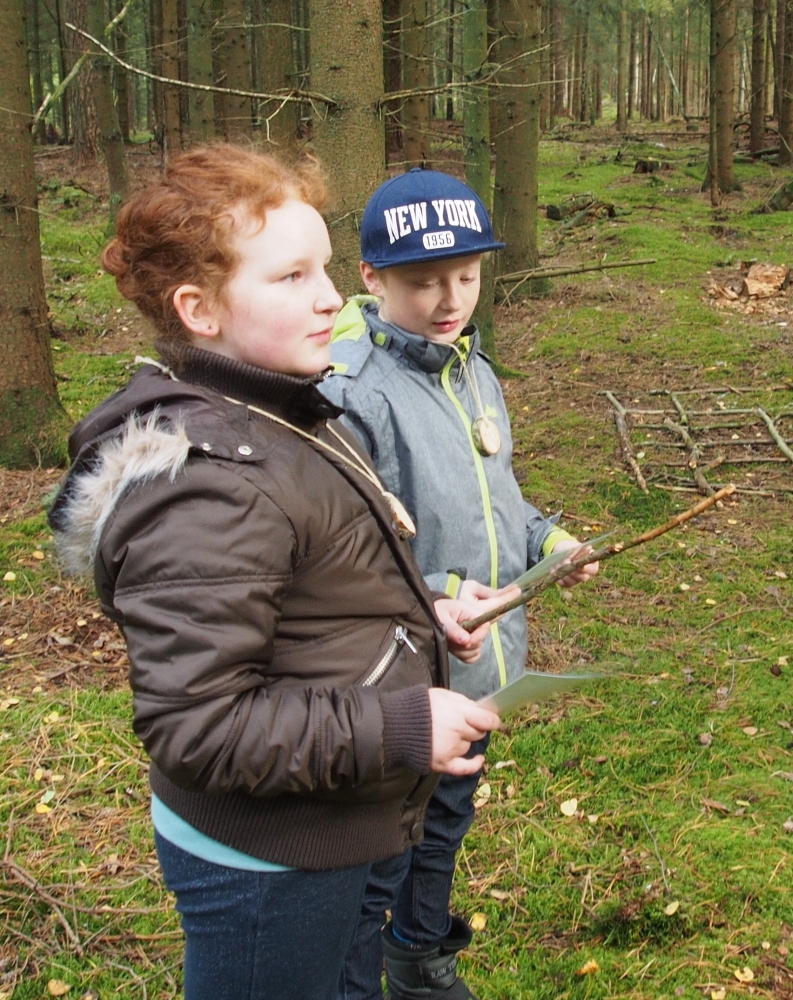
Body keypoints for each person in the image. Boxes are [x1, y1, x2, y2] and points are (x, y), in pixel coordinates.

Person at [47, 146, 509, 1000]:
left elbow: (316, 596)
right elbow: (201, 725)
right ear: (201, 310)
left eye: (327, 268)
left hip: (340, 825)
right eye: (292, 276)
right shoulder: (206, 483)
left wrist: (423, 616)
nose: (332, 297)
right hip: (272, 865)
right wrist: (404, 728)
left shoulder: (285, 408)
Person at [320, 168, 599, 1000]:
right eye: (422, 281)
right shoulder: (351, 392)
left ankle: (418, 953)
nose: (449, 298)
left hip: (477, 663)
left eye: (467, 276)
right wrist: (439, 587)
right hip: (400, 676)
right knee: (390, 838)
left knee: (447, 818)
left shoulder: (473, 370)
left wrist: (550, 540)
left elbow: (497, 495)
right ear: (369, 278)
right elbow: (346, 549)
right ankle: (359, 974)